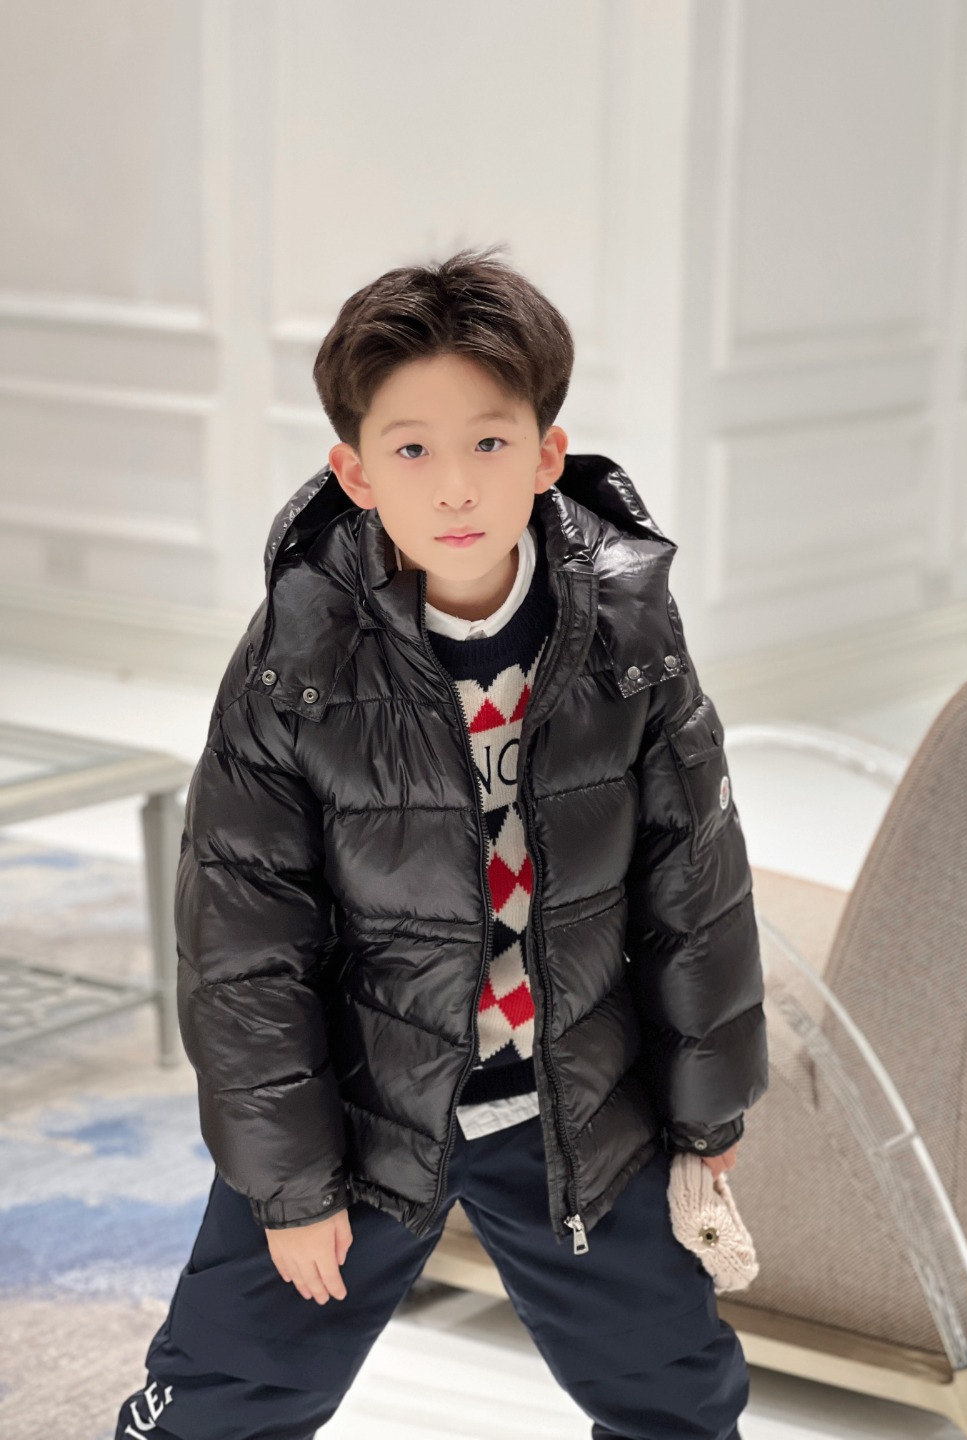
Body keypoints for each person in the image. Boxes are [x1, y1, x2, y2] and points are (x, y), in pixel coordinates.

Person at [113, 244, 768, 1440]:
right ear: (355, 472)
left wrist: (704, 1120)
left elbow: (697, 886)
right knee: (221, 1397)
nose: (457, 488)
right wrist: (291, 1187)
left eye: (490, 443)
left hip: (574, 1100)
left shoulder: (630, 632)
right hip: (360, 1109)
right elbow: (243, 943)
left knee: (679, 1393)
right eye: (412, 450)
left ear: (548, 455)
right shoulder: (296, 659)